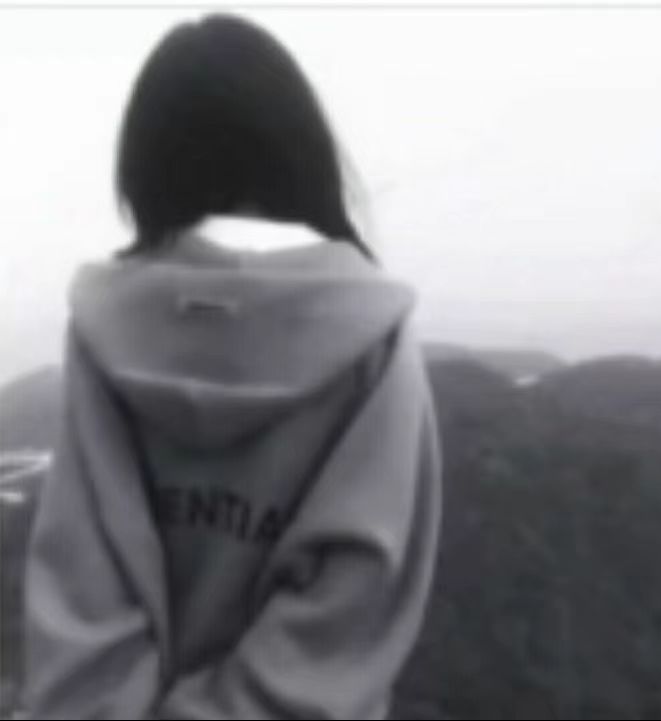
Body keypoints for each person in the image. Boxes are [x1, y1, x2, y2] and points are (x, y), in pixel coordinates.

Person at [23, 14, 441, 720]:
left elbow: (80, 577)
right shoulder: (374, 335)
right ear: (300, 150)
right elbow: (354, 592)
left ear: (148, 164)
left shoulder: (104, 323)